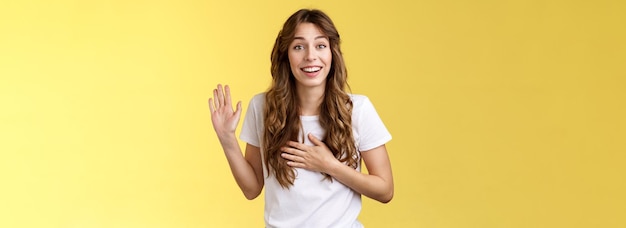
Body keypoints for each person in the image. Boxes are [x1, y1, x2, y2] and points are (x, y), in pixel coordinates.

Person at [208, 9, 393, 228]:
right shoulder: (262, 107)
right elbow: (251, 189)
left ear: (332, 53)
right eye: (298, 47)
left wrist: (330, 165)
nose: (310, 56)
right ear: (286, 54)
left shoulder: (357, 109)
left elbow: (385, 190)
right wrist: (227, 139)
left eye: (320, 46)